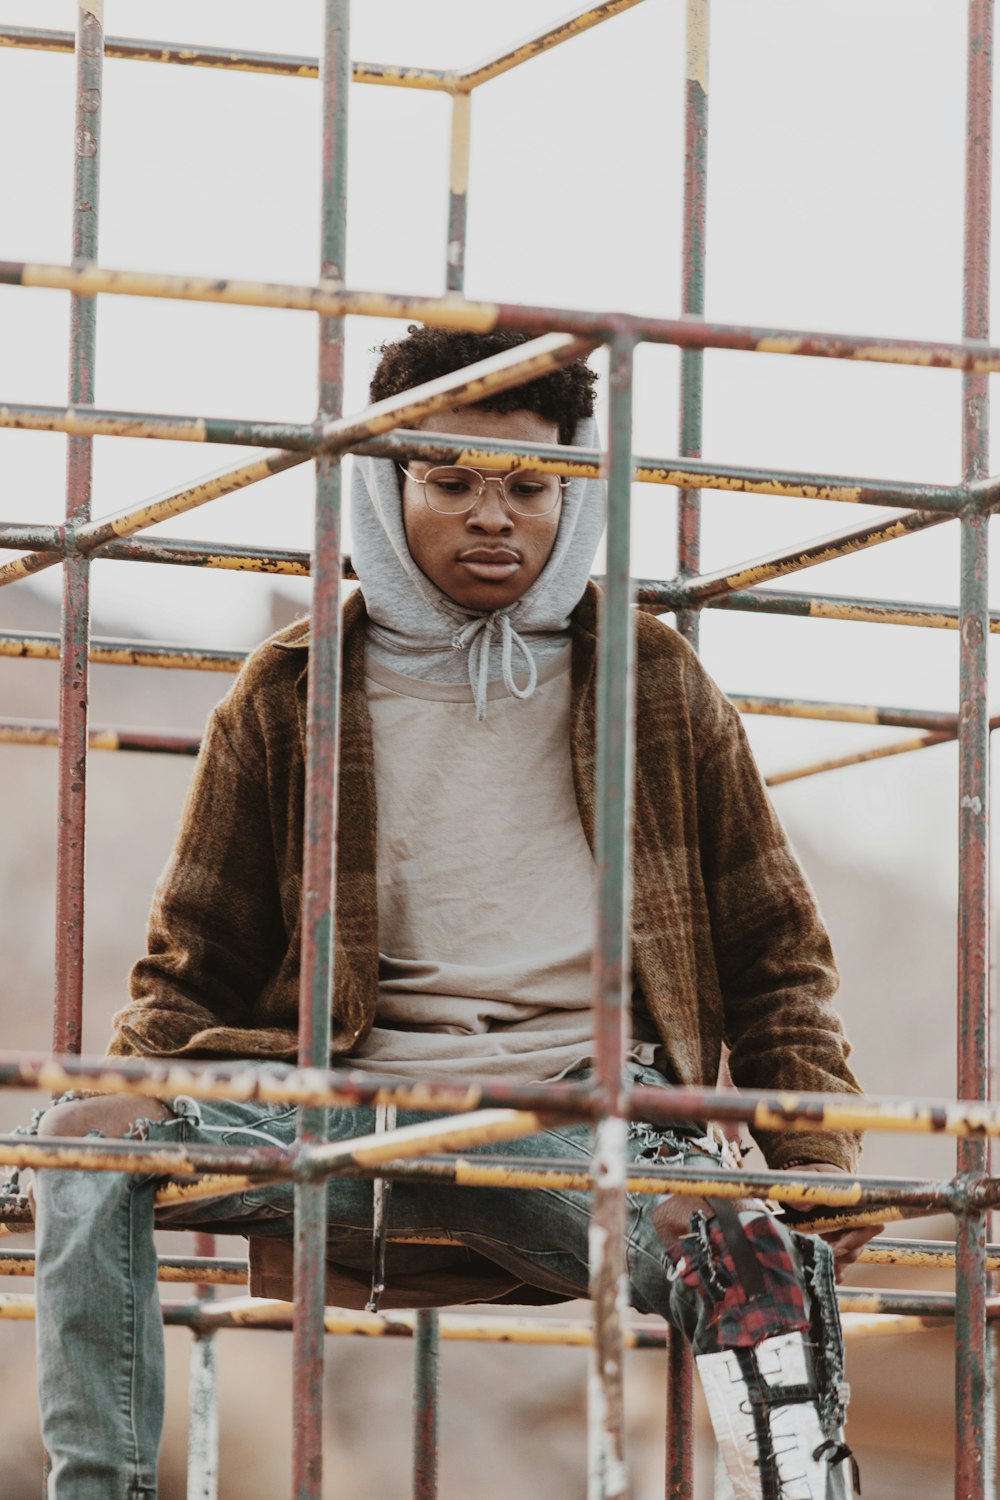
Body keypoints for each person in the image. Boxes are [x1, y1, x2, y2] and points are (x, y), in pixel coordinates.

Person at [28, 327, 878, 1500]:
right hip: (338, 1108)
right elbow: (193, 963)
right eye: (453, 482)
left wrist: (812, 1159)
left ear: (570, 493)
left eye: (530, 487)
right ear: (389, 484)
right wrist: (115, 1115)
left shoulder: (653, 683)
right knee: (79, 1139)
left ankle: (799, 1480)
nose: (495, 517)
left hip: (576, 1124)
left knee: (737, 1249)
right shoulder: (293, 689)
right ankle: (99, 1490)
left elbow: (775, 953)